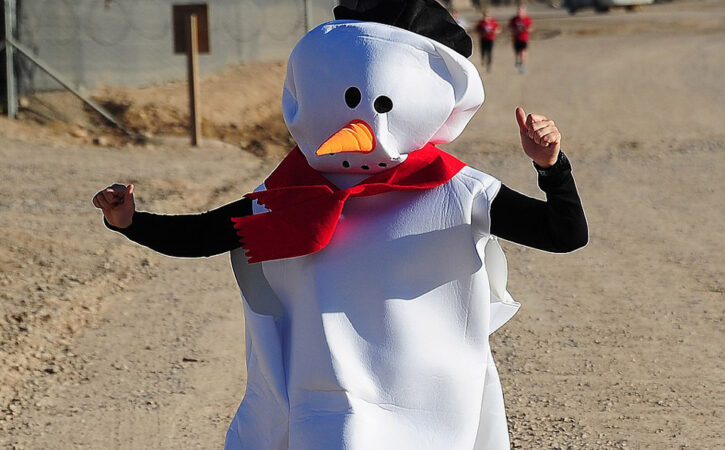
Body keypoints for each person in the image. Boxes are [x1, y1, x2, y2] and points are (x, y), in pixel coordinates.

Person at [93, 1, 586, 448]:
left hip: (429, 404)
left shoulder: (458, 192)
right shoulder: (291, 194)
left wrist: (552, 168)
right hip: (327, 402)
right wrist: (131, 222)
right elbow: (203, 235)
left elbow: (564, 234)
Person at [508, 6, 534, 73]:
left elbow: (531, 28)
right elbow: (509, 28)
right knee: (517, 52)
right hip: (516, 38)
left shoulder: (527, 19)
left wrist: (527, 29)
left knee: (523, 52)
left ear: (525, 12)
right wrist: (513, 30)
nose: (520, 13)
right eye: (519, 11)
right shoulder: (514, 19)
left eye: (521, 11)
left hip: (524, 38)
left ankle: (523, 66)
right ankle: (517, 60)